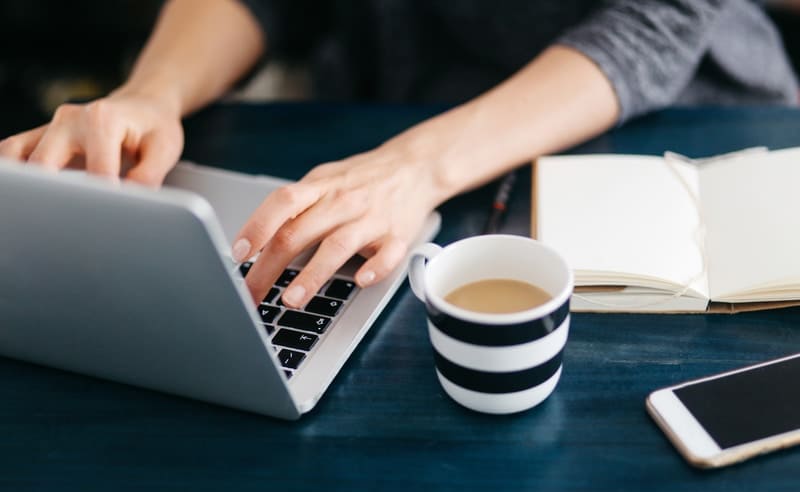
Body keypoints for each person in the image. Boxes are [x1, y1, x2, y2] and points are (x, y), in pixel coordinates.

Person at [0, 0, 796, 309]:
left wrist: (416, 167)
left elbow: (656, 21)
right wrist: (153, 92)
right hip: (395, 121)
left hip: (675, 129)